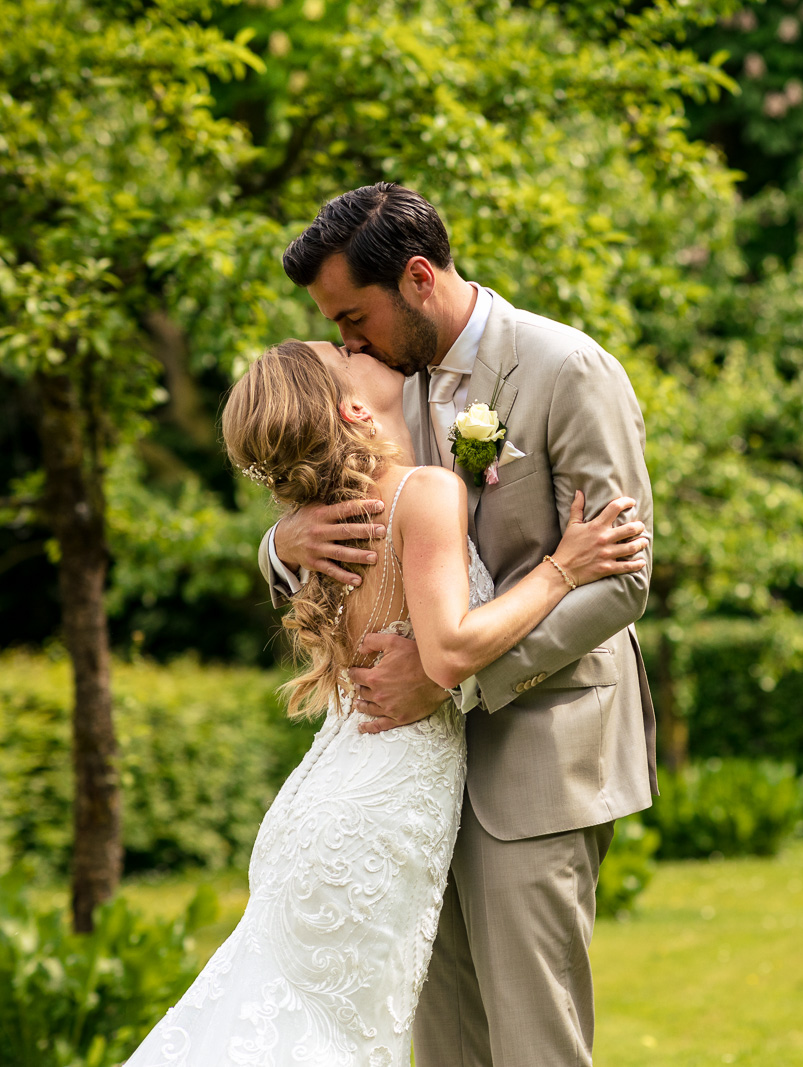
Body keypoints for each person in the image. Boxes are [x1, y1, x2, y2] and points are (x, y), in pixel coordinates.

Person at [125, 339, 648, 1064]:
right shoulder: (422, 491)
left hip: (326, 805)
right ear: (351, 406)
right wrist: (563, 569)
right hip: (376, 810)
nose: (353, 344)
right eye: (341, 351)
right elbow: (450, 651)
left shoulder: (337, 517)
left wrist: (283, 536)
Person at [257, 183, 658, 1066]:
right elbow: (331, 491)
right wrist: (283, 543)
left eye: (354, 316)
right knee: (440, 1044)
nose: (346, 342)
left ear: (417, 276)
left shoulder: (566, 369)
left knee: (532, 1041)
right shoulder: (380, 379)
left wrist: (451, 671)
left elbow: (623, 580)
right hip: (414, 775)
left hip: (538, 750)